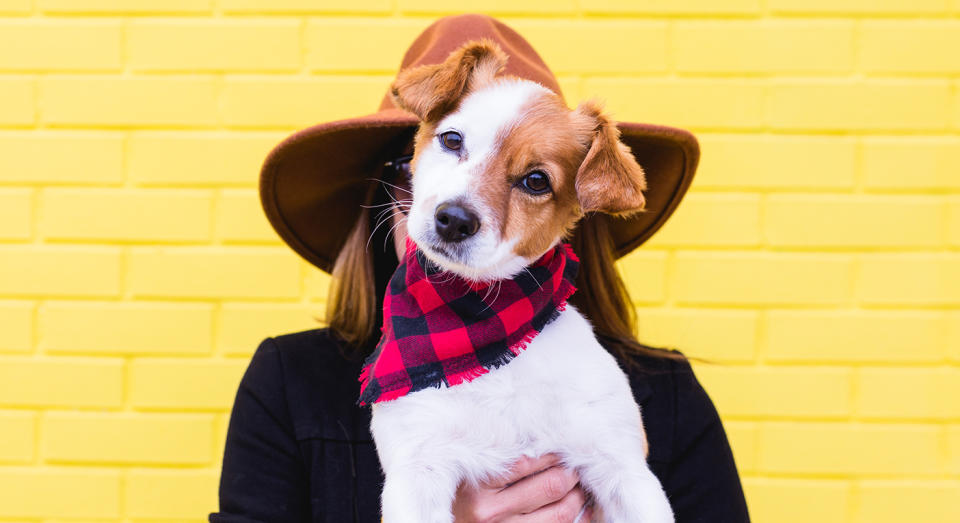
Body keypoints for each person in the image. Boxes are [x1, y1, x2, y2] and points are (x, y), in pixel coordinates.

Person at [210, 14, 749, 523]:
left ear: (575, 211)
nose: (461, 206)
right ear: (401, 170)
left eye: (534, 181)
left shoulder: (656, 391)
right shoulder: (290, 381)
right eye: (452, 143)